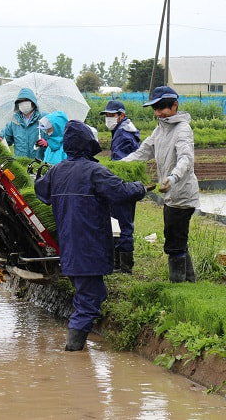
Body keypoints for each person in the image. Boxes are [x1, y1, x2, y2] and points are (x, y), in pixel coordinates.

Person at [34, 121, 150, 351]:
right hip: (90, 246)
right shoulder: (95, 171)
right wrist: (140, 187)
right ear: (89, 144)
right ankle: (73, 350)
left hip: (68, 246)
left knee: (92, 293)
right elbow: (121, 192)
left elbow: (40, 191)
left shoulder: (56, 170)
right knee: (89, 300)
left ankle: (75, 345)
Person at [121, 86, 200, 283]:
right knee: (177, 239)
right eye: (155, 108)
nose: (158, 112)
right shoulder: (160, 129)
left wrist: (172, 178)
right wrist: (116, 166)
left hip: (181, 194)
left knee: (174, 242)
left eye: (162, 107)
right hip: (171, 195)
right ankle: (190, 282)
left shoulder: (182, 129)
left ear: (175, 105)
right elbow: (142, 152)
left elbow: (186, 159)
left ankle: (178, 285)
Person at [100, 100, 141, 273]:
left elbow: (121, 164)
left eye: (111, 115)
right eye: (106, 115)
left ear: (121, 115)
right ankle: (118, 262)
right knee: (120, 222)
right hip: (126, 185)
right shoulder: (123, 130)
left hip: (123, 186)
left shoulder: (123, 135)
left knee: (122, 223)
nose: (108, 118)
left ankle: (125, 266)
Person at [0, 88, 46, 159]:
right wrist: (0, 138)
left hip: (40, 163)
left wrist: (47, 143)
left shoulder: (43, 119)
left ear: (33, 102)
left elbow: (55, 139)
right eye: (21, 101)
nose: (24, 104)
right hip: (20, 163)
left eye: (26, 101)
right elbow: (5, 139)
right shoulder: (14, 121)